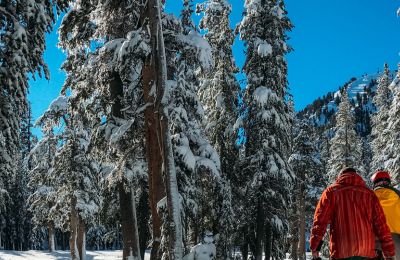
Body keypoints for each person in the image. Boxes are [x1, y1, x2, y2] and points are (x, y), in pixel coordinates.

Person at [310, 167, 395, 260]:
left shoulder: (331, 192)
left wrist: (315, 247)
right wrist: (389, 253)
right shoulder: (370, 195)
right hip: (366, 251)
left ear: (340, 177)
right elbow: (381, 225)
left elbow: (320, 222)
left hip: (341, 250)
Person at [371, 170, 400, 258]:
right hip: (396, 239)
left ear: (375, 182)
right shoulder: (398, 195)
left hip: (375, 239)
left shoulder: (369, 196)